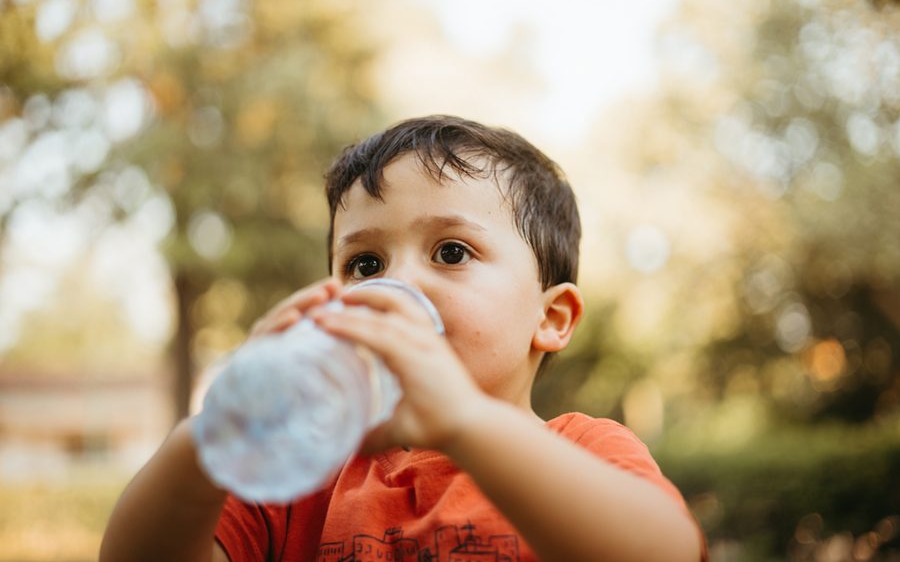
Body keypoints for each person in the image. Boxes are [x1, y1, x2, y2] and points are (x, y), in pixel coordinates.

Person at [100, 115, 706, 562]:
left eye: (451, 251)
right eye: (364, 264)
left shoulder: (582, 452)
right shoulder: (309, 474)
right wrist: (212, 434)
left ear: (551, 318)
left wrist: (464, 421)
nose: (396, 284)